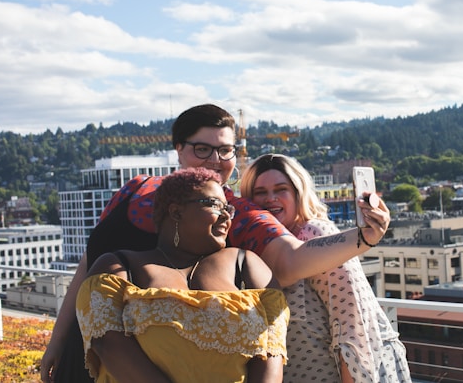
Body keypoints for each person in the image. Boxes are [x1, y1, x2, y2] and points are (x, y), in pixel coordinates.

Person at [41, 104, 390, 383]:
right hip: (89, 344)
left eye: (226, 151)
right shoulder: (134, 189)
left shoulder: (235, 211)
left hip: (159, 364)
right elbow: (88, 265)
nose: (216, 160)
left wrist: (364, 237)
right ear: (178, 149)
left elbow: (291, 260)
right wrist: (57, 342)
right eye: (203, 148)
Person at [75, 167, 289, 382]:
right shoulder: (118, 267)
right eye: (215, 205)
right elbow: (109, 345)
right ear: (176, 212)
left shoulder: (246, 266)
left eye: (229, 209)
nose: (226, 216)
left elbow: (272, 352)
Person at [240, 153, 412, 383]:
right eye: (260, 193)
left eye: (281, 189)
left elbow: (353, 324)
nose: (270, 198)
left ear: (298, 193)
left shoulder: (314, 233)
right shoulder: (256, 249)